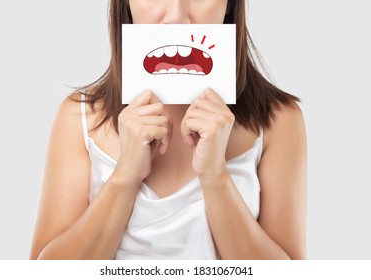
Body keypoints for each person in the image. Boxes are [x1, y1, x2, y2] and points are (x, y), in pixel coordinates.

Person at [30, 0, 307, 260]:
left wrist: (216, 176)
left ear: (230, 4)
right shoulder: (79, 117)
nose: (176, 18)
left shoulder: (278, 121)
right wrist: (125, 175)